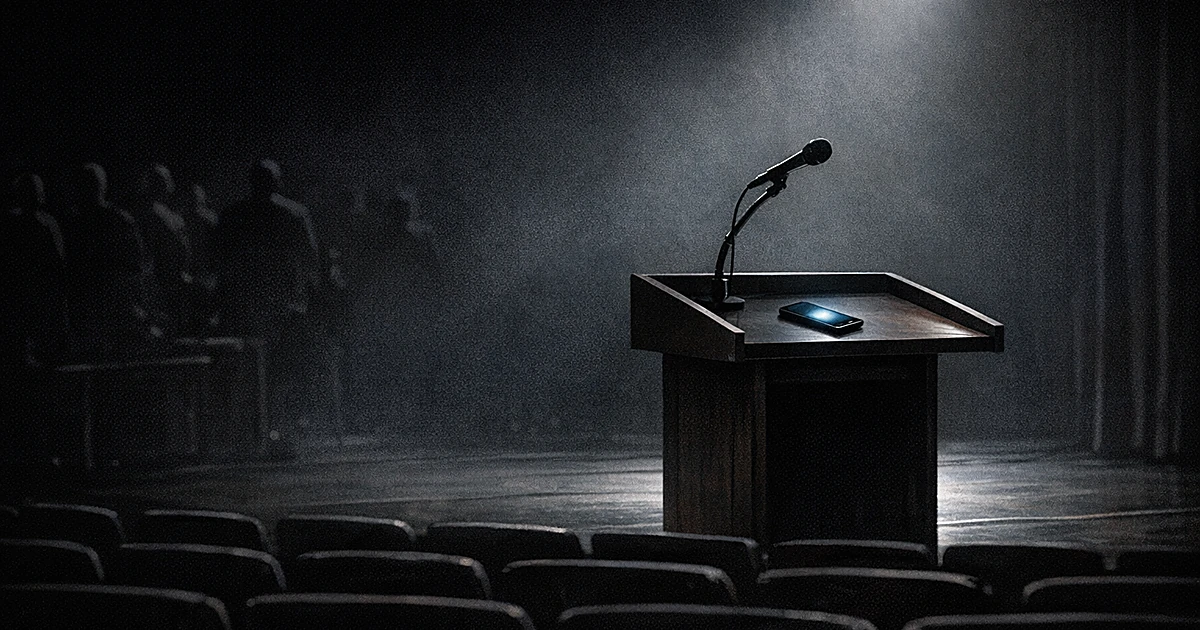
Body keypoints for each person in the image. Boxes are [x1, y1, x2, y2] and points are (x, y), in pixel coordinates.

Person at [214, 159, 321, 457]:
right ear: (278, 182)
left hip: (244, 304)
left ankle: (249, 434)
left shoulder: (234, 215)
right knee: (282, 371)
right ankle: (280, 431)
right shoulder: (293, 214)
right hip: (283, 305)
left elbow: (220, 260)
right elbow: (311, 260)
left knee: (247, 370)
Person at [62, 162, 156, 358]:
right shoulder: (74, 223)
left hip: (115, 303)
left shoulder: (118, 220)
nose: (89, 190)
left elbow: (135, 264)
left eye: (93, 184)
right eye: (85, 185)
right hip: (86, 302)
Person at [134, 163, 193, 337]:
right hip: (157, 280)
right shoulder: (144, 213)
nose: (163, 185)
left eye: (165, 180)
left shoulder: (169, 213)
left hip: (176, 278)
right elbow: (146, 250)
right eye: (157, 181)